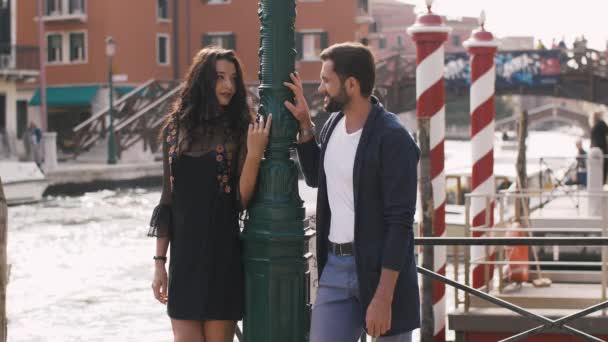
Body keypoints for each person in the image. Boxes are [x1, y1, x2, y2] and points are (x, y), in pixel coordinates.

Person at [284, 42, 420, 341]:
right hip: (335, 266)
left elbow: (401, 223)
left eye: (326, 80)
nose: (320, 89)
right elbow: (319, 178)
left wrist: (383, 297)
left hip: (383, 274)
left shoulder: (394, 138)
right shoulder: (332, 125)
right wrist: (306, 126)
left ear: (352, 84)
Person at [148, 47, 271, 342]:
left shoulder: (240, 128)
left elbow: (240, 201)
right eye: (219, 77)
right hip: (184, 260)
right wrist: (159, 264)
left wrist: (254, 156)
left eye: (232, 78)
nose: (228, 86)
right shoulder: (174, 131)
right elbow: (168, 199)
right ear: (203, 80)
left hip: (222, 256)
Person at [590, 111, 608, 184]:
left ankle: (599, 183)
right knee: (602, 168)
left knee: (597, 169)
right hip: (602, 149)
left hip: (597, 150)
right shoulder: (602, 124)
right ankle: (601, 183)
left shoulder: (595, 126)